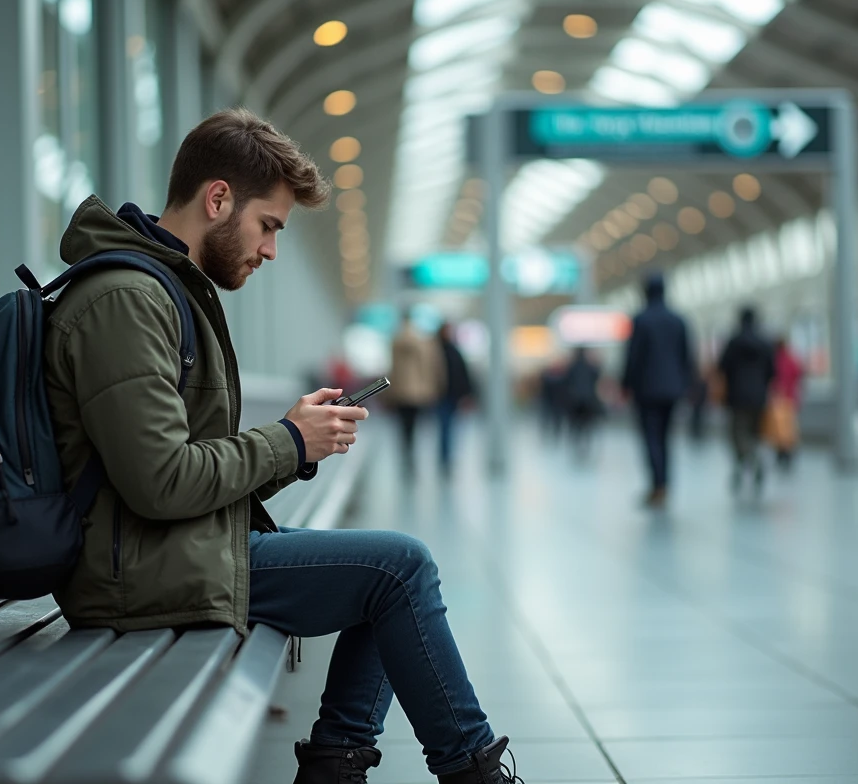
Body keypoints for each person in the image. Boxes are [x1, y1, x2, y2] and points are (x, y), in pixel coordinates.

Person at [42, 109, 521, 784]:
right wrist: (289, 441)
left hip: (159, 549)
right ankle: (462, 773)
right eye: (267, 225)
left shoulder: (159, 289)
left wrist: (298, 443)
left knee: (388, 573)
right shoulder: (126, 299)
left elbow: (180, 469)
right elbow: (162, 481)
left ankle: (341, 766)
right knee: (399, 570)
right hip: (137, 572)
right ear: (217, 199)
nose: (270, 250)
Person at [621, 273, 692, 507]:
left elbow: (633, 356)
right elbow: (686, 356)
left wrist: (626, 384)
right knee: (666, 438)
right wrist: (687, 385)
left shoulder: (641, 320)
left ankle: (657, 485)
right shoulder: (678, 320)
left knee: (651, 438)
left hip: (646, 390)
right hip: (673, 389)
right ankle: (665, 484)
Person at [719, 307, 776, 493]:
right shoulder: (765, 342)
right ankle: (749, 461)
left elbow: (722, 366)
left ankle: (751, 460)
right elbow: (772, 371)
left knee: (738, 434)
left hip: (737, 396)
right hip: (760, 396)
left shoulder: (734, 342)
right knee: (755, 433)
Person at [388, 312, 444, 473]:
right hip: (417, 392)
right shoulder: (422, 341)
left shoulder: (396, 341)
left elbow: (393, 369)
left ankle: (406, 456)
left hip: (401, 392)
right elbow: (430, 368)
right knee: (415, 426)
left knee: (404, 427)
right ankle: (412, 458)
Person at [436, 322, 474, 472]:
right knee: (445, 428)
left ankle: (447, 457)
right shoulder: (437, 351)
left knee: (450, 428)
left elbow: (463, 374)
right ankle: (444, 458)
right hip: (441, 395)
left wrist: (466, 394)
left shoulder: (454, 351)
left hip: (453, 396)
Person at [562, 347, 603, 460]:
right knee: (587, 425)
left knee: (576, 425)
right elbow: (597, 376)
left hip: (575, 401)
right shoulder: (590, 366)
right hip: (588, 400)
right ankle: (585, 444)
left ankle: (576, 443)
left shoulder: (572, 367)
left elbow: (566, 382)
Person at [769, 338, 805, 468]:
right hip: (791, 397)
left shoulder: (775, 360)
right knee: (789, 426)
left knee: (779, 427)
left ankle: (781, 451)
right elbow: (799, 374)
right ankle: (788, 450)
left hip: (779, 398)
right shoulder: (792, 359)